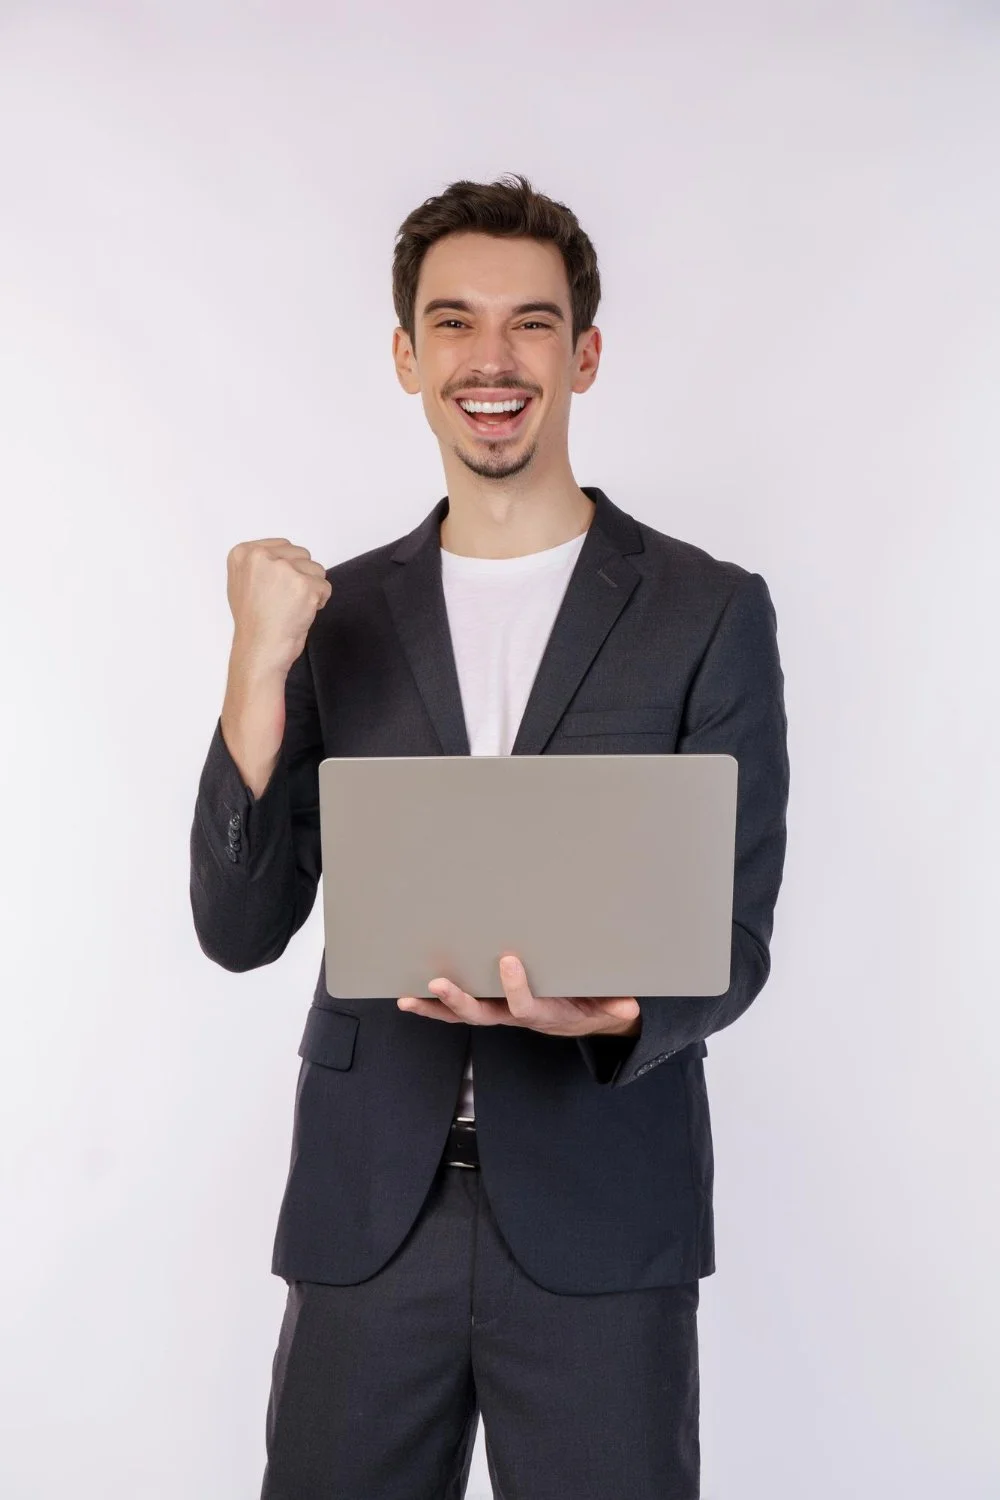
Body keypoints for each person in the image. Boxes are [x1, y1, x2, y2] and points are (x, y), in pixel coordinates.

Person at [189, 172, 790, 1500]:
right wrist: (253, 669)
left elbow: (734, 936)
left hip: (599, 1211)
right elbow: (241, 928)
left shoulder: (705, 609)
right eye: (453, 323)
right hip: (370, 1213)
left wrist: (616, 1014)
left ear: (583, 353)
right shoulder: (332, 616)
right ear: (409, 357)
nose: (492, 359)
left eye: (531, 323)